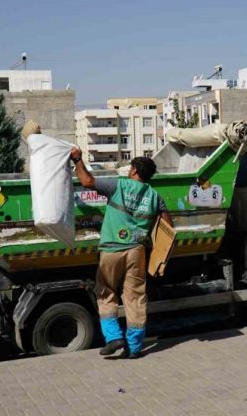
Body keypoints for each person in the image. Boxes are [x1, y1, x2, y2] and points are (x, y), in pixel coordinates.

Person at [70, 147, 172, 358]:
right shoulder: (155, 196)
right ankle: (134, 348)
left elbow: (87, 181)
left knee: (106, 292)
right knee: (135, 298)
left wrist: (78, 159)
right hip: (137, 251)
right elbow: (167, 228)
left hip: (112, 249)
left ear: (134, 170)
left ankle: (114, 337)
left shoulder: (119, 185)